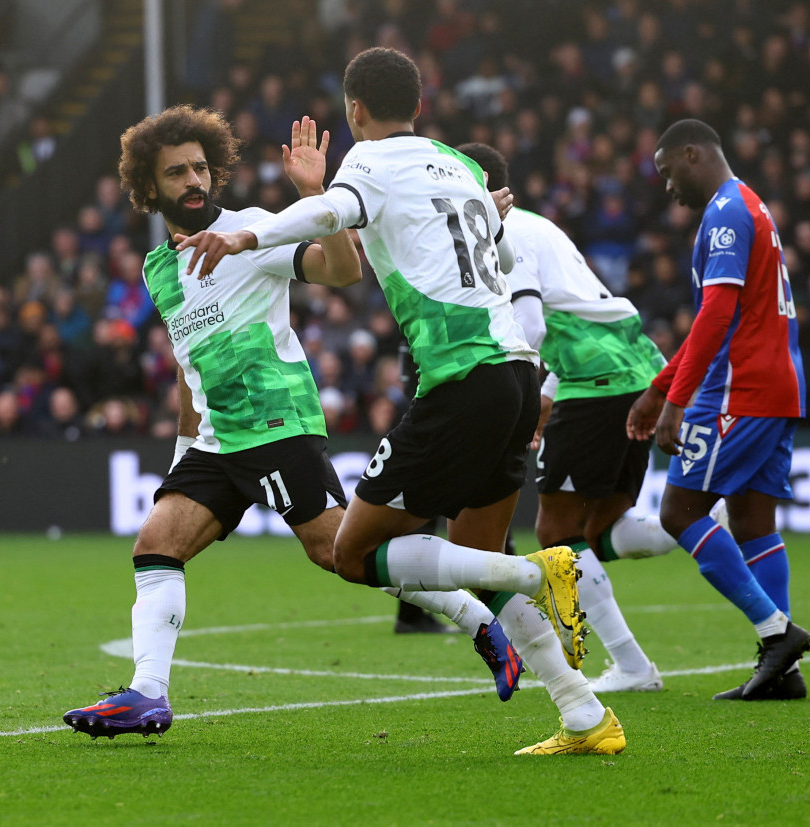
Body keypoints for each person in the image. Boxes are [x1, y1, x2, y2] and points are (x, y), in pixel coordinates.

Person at [176, 48, 623, 755]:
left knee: (356, 551)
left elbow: (335, 212)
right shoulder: (461, 165)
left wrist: (246, 232)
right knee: (472, 558)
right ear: (418, 105)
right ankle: (584, 713)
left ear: (354, 110)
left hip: (461, 375)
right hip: (514, 373)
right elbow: (501, 260)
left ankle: (536, 570)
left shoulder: (370, 163)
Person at [63, 107, 523, 741]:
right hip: (219, 441)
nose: (194, 180)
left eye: (200, 167)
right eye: (177, 173)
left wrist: (314, 193)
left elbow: (342, 270)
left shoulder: (252, 230)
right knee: (155, 546)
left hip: (279, 426)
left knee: (340, 553)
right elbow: (186, 364)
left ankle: (480, 621)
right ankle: (148, 696)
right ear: (149, 186)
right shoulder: (158, 270)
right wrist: (181, 450)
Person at [459, 141, 734, 694]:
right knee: (598, 528)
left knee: (556, 532)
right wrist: (547, 395)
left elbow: (532, 326)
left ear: (475, 184)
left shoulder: (501, 234)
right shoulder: (541, 227)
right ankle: (705, 519)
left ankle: (633, 666)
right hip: (630, 368)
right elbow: (579, 311)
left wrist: (515, 394)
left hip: (598, 381)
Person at [627, 119, 810, 701]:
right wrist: (661, 385)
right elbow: (722, 315)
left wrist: (675, 401)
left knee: (679, 513)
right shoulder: (750, 206)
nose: (667, 187)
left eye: (667, 173)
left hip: (739, 389)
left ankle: (775, 632)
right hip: (777, 386)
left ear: (692, 155)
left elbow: (716, 316)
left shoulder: (728, 212)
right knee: (755, 523)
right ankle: (781, 671)